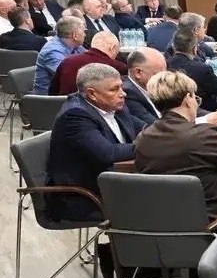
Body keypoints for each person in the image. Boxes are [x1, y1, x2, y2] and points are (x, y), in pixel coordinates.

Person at [133, 71, 217, 238]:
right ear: (188, 99)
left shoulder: (142, 139)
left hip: (163, 227)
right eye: (195, 98)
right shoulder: (205, 135)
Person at [46, 64, 146, 222]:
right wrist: (151, 145)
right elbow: (109, 154)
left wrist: (163, 135)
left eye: (121, 87)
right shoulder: (75, 115)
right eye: (114, 89)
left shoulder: (113, 105)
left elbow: (146, 129)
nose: (123, 93)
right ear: (92, 94)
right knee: (157, 205)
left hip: (113, 185)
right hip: (83, 197)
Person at [167, 28, 217, 112]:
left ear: (173, 46)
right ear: (195, 49)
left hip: (171, 110)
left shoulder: (165, 65)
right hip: (203, 111)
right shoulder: (202, 69)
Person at [52, 30, 127, 96]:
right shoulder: (119, 67)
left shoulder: (67, 61)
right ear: (113, 48)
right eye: (117, 52)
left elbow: (53, 93)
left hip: (63, 106)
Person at [33, 16, 86, 95]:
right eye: (83, 31)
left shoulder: (76, 45)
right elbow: (68, 77)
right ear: (75, 36)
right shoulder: (52, 51)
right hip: (50, 98)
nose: (85, 35)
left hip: (68, 92)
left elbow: (90, 60)